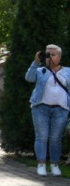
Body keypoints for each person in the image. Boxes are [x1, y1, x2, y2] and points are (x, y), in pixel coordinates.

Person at [25, 44, 70, 176]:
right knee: (42, 137)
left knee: (56, 138)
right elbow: (29, 78)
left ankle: (55, 164)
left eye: (53, 54)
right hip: (40, 108)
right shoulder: (40, 70)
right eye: (47, 54)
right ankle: (41, 164)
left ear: (60, 57)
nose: (49, 57)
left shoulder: (68, 71)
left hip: (61, 109)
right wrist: (36, 62)